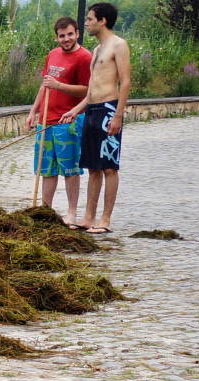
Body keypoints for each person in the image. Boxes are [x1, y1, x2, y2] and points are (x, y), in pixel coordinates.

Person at [59, 1, 131, 234]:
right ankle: (88, 217)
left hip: (109, 110)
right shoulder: (98, 49)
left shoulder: (118, 45)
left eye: (90, 19)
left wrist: (118, 115)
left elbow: (125, 82)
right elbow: (91, 88)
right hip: (91, 110)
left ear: (102, 21)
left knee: (108, 167)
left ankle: (105, 220)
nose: (87, 23)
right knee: (92, 167)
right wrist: (76, 110)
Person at [26, 17, 93, 228]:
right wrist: (33, 111)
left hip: (68, 121)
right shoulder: (53, 54)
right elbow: (45, 85)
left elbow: (87, 91)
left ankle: (72, 213)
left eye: (70, 34)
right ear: (56, 37)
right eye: (62, 36)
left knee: (70, 169)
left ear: (77, 33)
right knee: (47, 169)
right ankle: (45, 210)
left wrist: (59, 85)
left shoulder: (85, 57)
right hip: (46, 120)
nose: (66, 39)